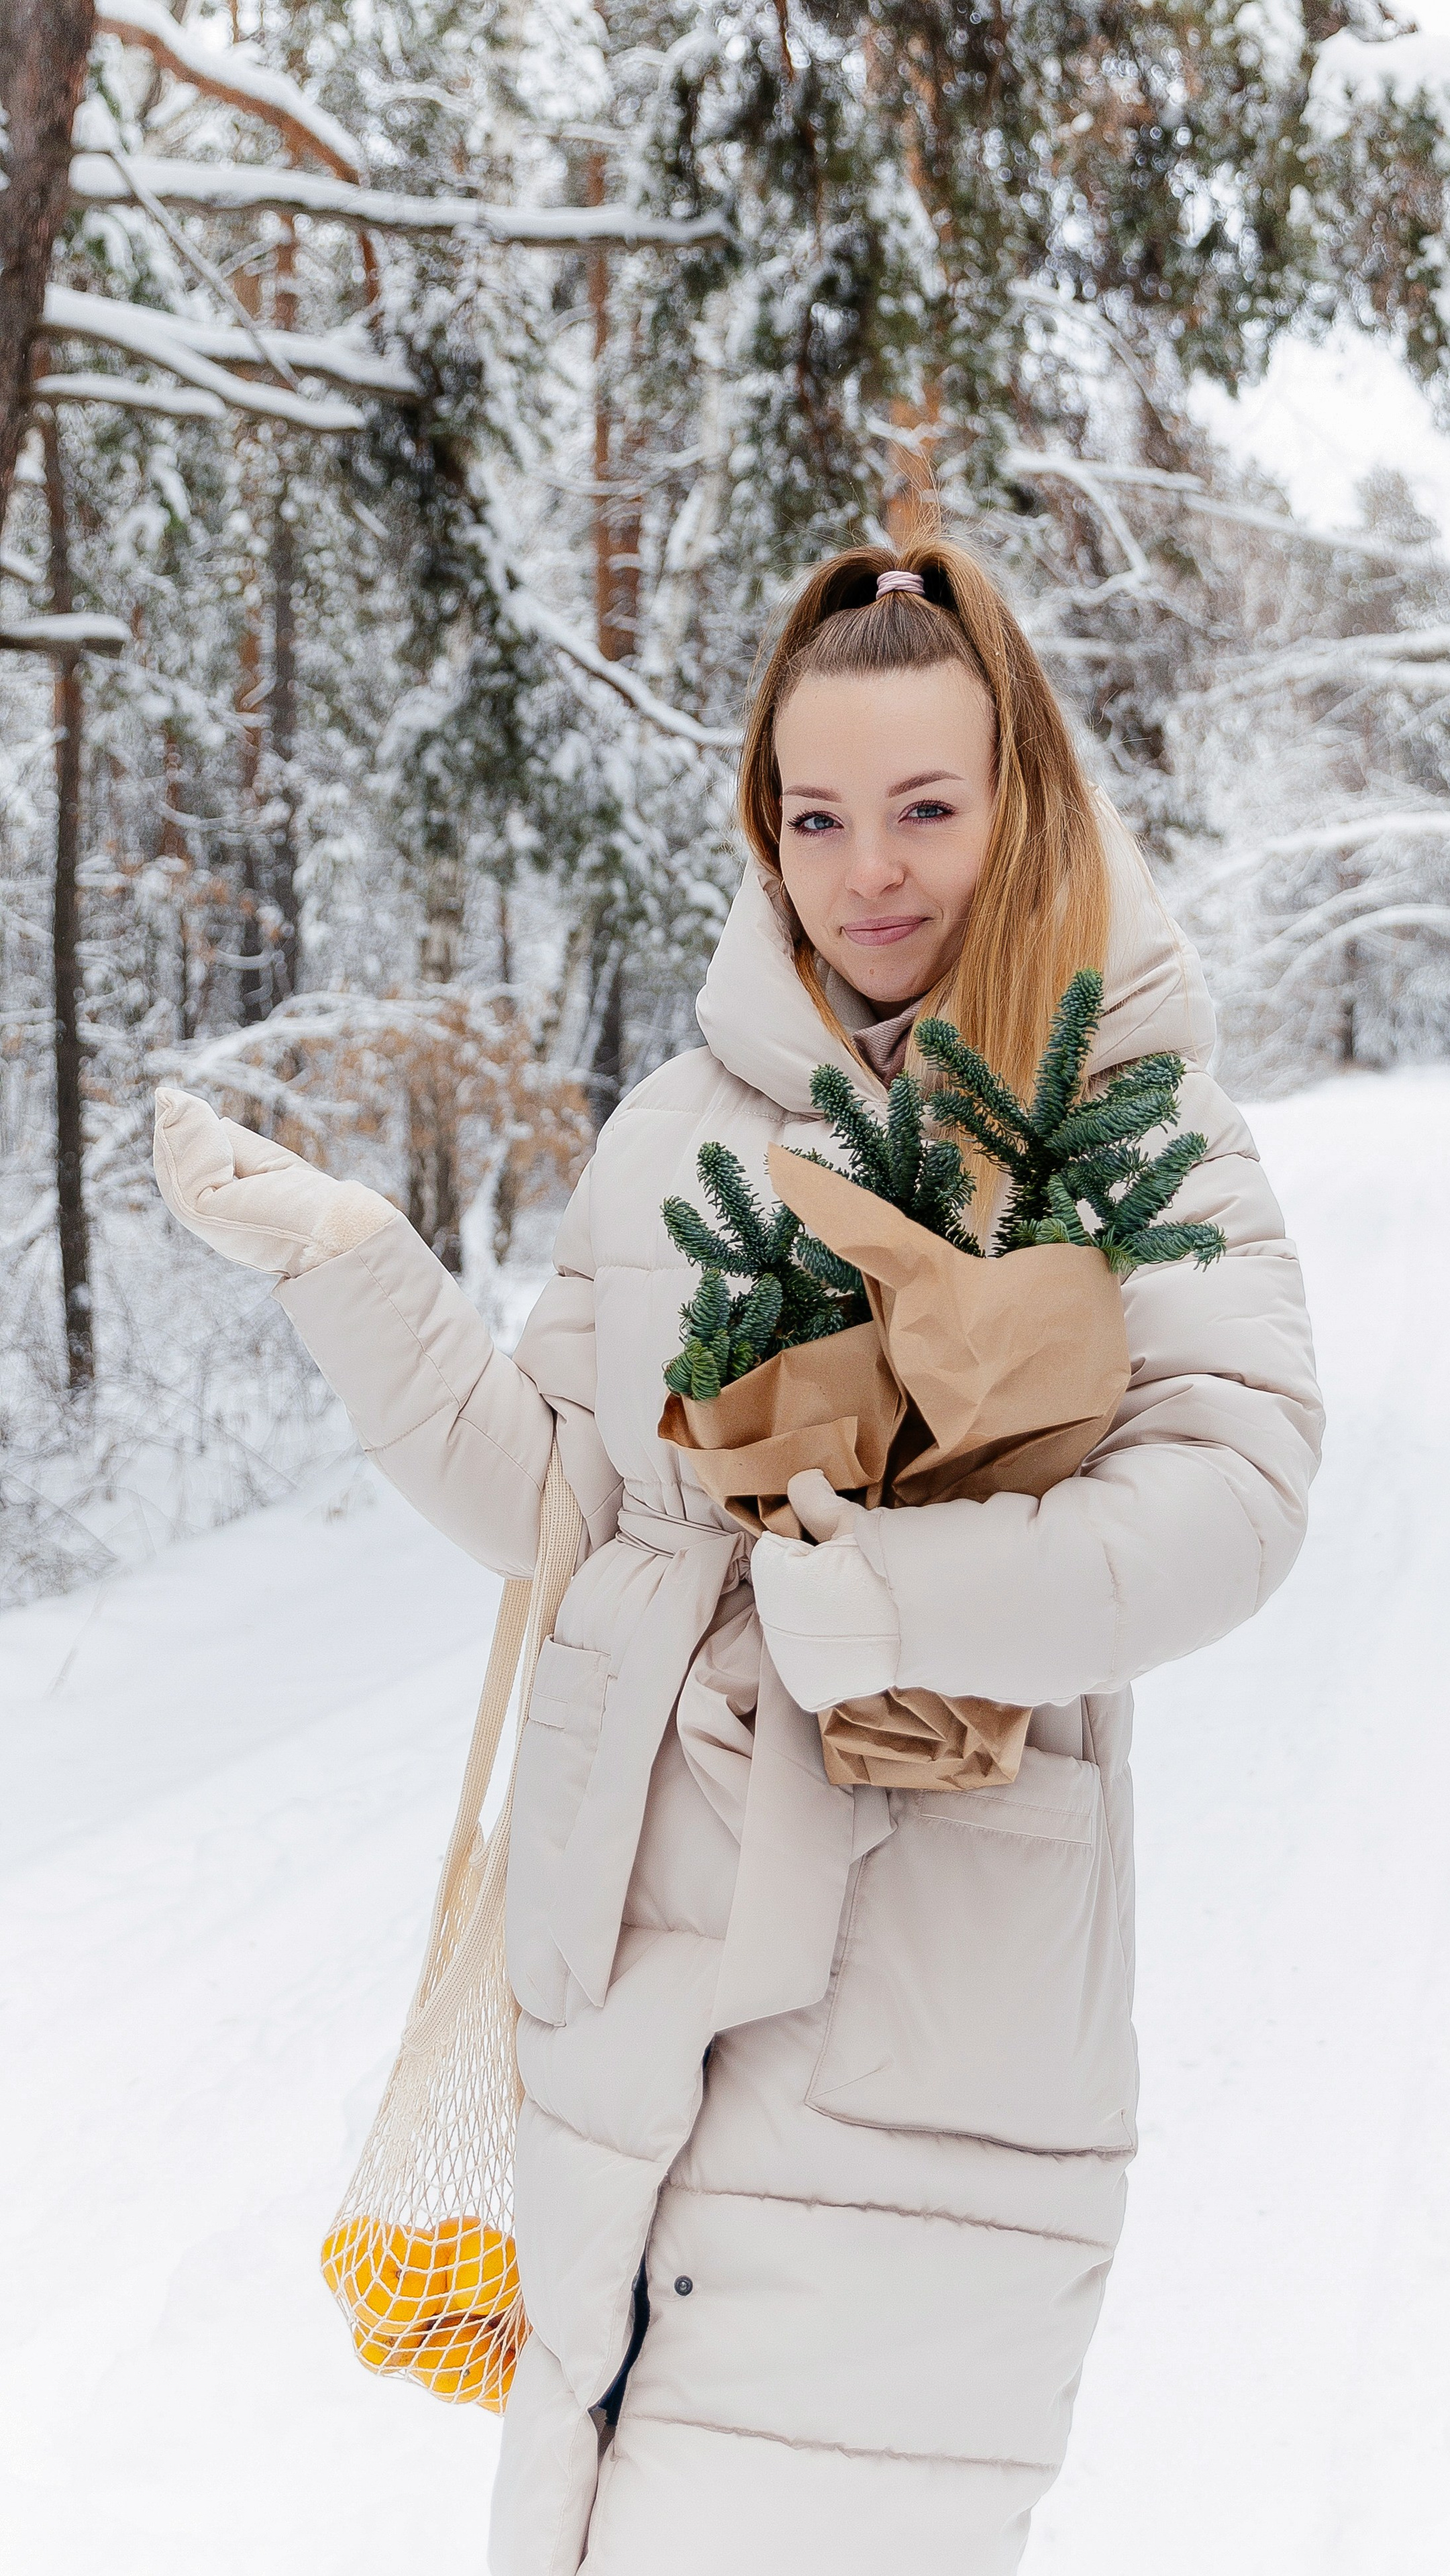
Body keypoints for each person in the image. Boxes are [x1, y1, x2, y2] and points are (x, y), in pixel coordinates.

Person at [153, 538, 1323, 2573]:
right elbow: (556, 1507)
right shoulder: (675, 1126)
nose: (871, 870)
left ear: (1020, 798)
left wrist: (872, 1603)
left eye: (928, 809)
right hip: (629, 2011)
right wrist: (353, 1274)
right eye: (818, 816)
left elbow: (1237, 1490)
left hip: (920, 2028)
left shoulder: (1124, 1113)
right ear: (762, 832)